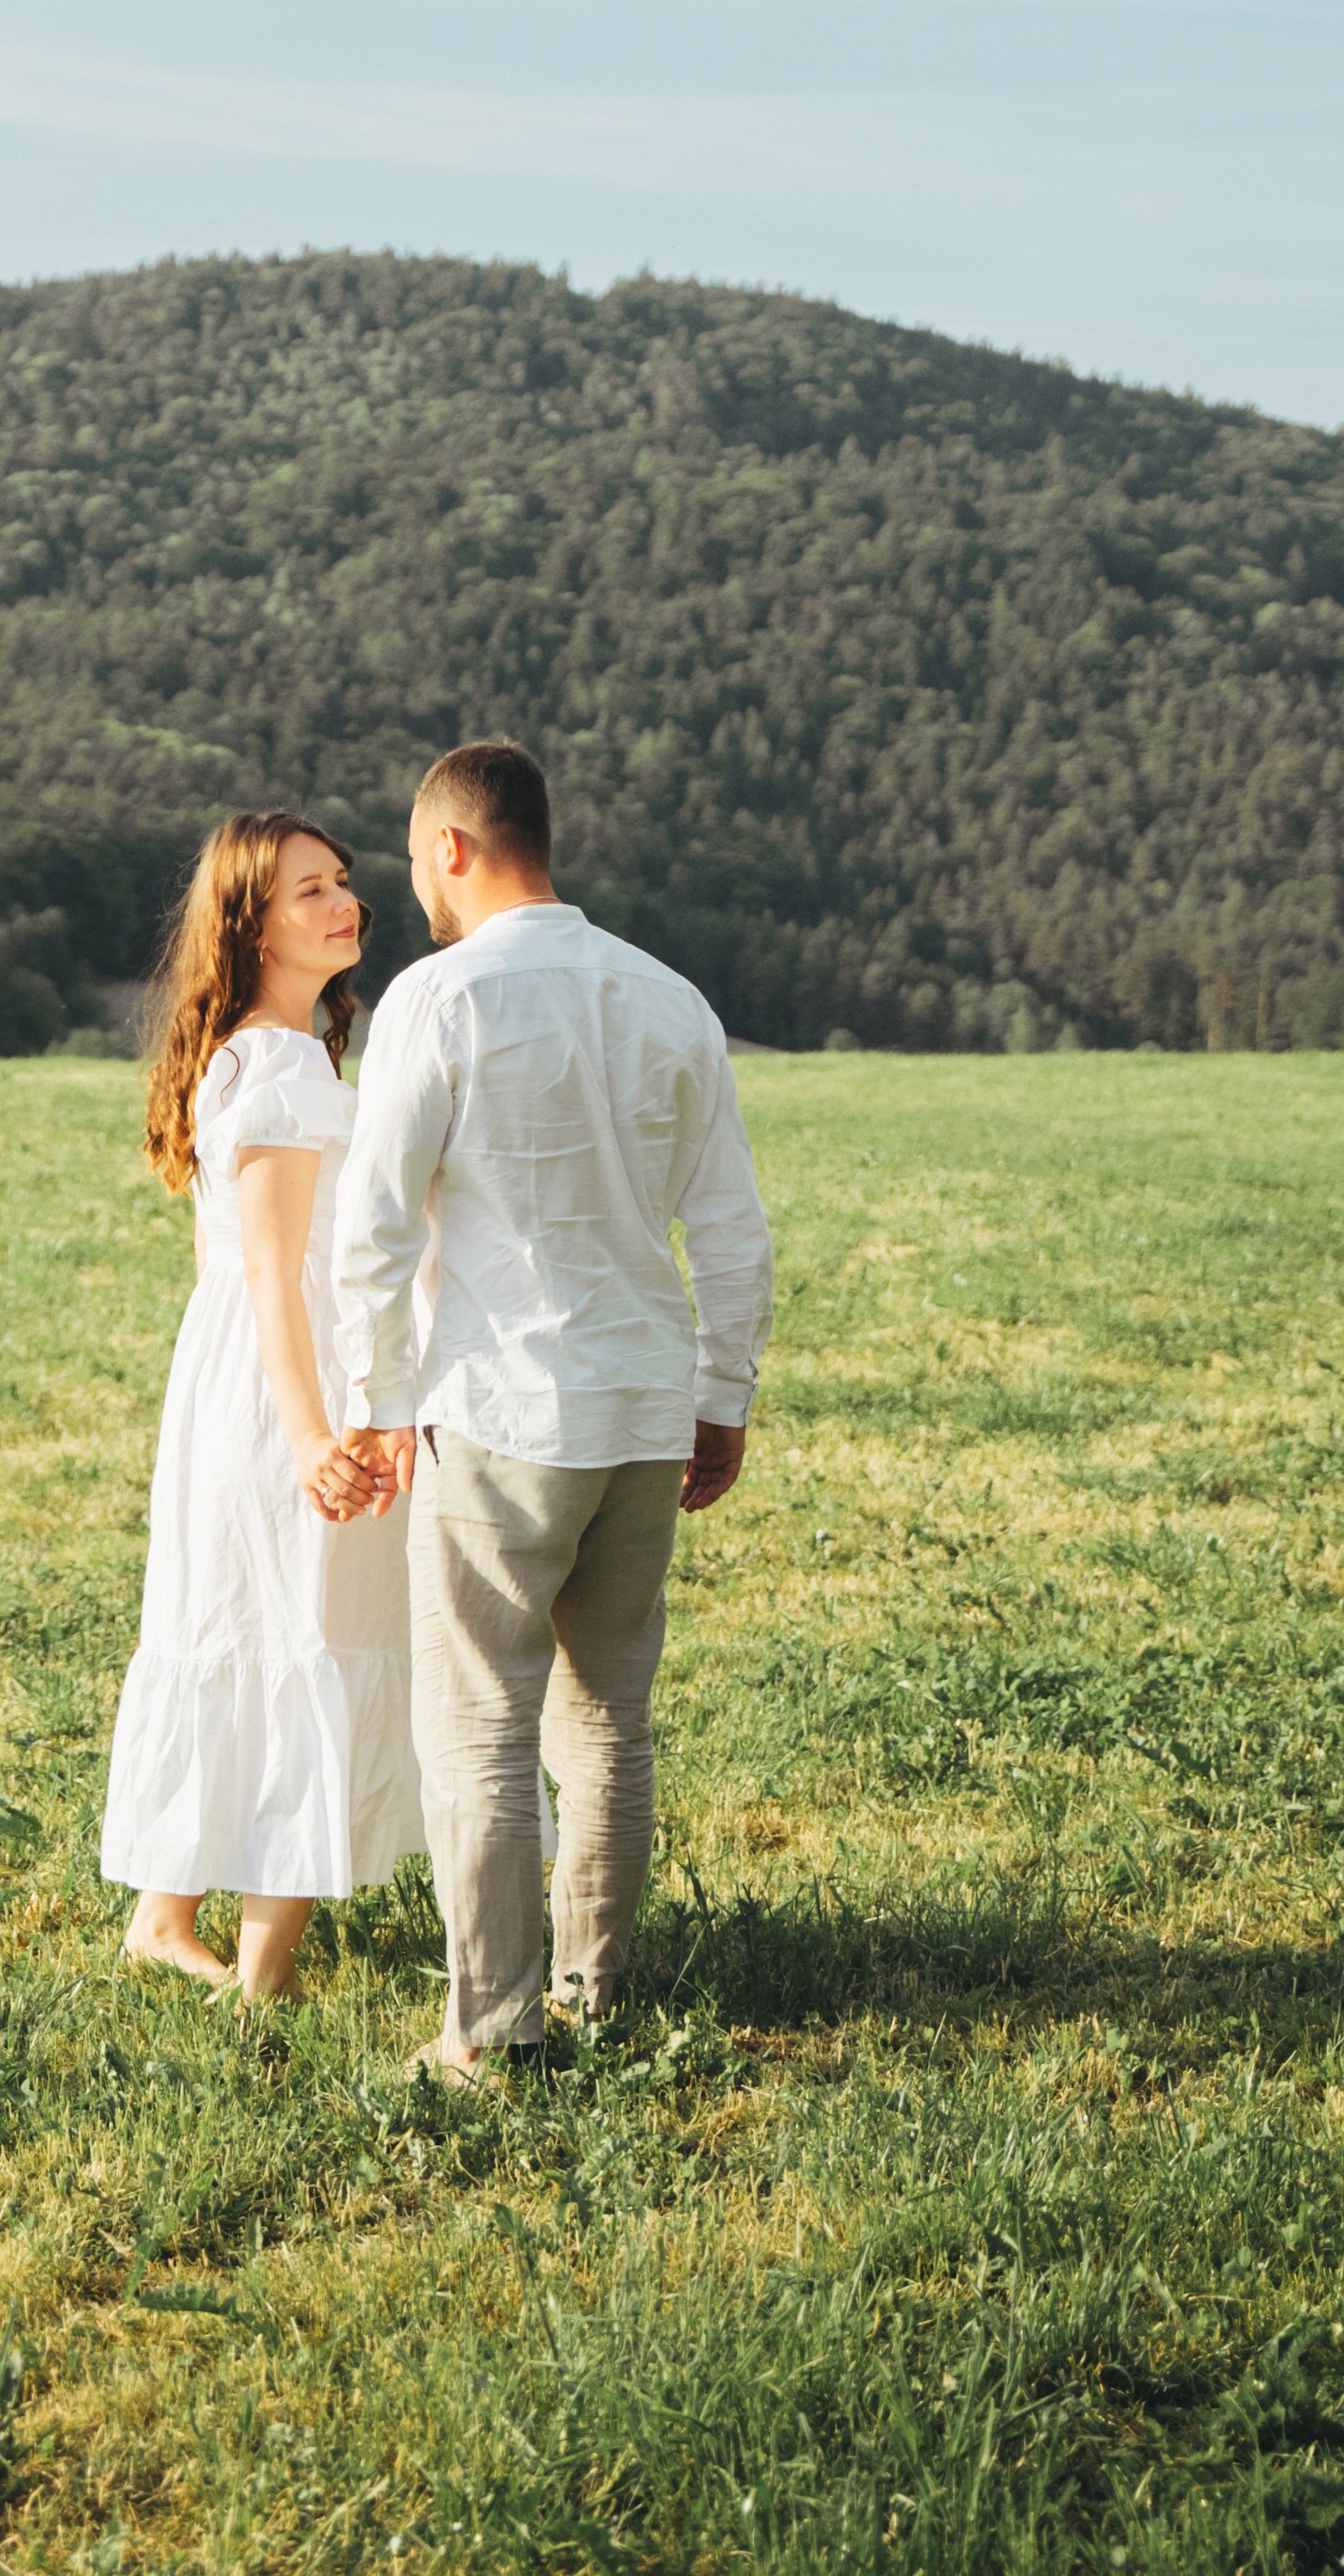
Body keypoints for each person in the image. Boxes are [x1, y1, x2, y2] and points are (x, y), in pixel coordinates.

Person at [318, 741, 774, 2082]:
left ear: (452, 846)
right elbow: (732, 1230)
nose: (418, 893)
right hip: (642, 1410)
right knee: (607, 1719)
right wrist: (723, 1394)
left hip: (500, 1412)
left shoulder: (437, 1000)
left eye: (414, 865)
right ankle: (597, 1991)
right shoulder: (671, 998)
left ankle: (492, 2027)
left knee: (481, 1724)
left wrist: (381, 1399)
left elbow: (378, 1226)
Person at [98, 811, 430, 1999]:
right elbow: (278, 1268)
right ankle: (264, 1972)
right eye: (308, 893)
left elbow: (236, 1271)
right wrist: (309, 1429)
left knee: (237, 1623)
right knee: (303, 1632)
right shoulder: (283, 1064)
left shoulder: (252, 1050)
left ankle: (162, 1917)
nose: (343, 903)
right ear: (251, 924)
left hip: (236, 1374)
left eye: (342, 882)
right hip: (291, 1376)